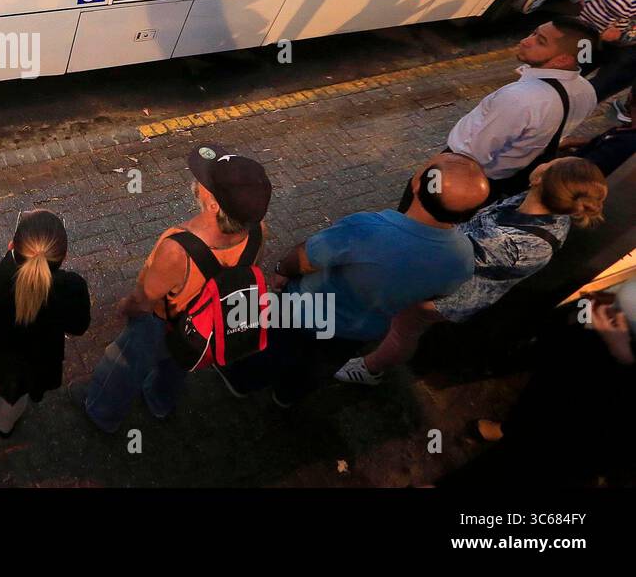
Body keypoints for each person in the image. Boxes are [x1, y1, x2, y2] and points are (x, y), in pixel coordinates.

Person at [335, 156, 607, 384]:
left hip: (444, 295)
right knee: (399, 319)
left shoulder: (516, 243)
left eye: (551, 163)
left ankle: (371, 368)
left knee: (404, 331)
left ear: (539, 179)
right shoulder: (542, 203)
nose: (547, 159)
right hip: (446, 276)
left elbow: (449, 258)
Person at [262, 153, 487, 406]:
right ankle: (287, 396)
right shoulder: (464, 257)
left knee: (274, 349)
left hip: (304, 310)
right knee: (317, 367)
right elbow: (435, 294)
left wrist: (282, 269)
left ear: (416, 183)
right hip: (358, 331)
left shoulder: (366, 228)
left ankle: (252, 377)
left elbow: (306, 259)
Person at [82, 145, 271, 432]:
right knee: (176, 366)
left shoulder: (178, 247)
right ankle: (159, 404)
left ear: (213, 205)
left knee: (123, 365)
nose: (198, 181)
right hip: (202, 327)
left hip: (164, 323)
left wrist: (127, 307)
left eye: (207, 182)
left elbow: (145, 301)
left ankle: (102, 413)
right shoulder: (258, 231)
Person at [439, 281, 635, 487]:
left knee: (554, 450)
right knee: (552, 390)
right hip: (611, 351)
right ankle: (509, 429)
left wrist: (624, 356)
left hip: (620, 410)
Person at [0, 209, 91, 437]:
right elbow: (78, 327)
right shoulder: (72, 289)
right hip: (34, 362)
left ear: (11, 246)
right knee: (15, 395)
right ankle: (4, 428)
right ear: (63, 257)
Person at [446, 18, 598, 198]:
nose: (526, 41)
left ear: (562, 59)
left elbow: (476, 152)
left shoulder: (519, 98)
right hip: (509, 176)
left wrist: (446, 170)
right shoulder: (587, 91)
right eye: (534, 33)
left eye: (540, 41)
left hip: (467, 173)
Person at [578, 0, 636, 121]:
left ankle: (537, 99)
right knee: (598, 89)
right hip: (629, 50)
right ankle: (558, 122)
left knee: (574, 68)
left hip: (598, 29)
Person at [559, 90, 636, 175]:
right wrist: (572, 141)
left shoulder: (624, 143)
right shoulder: (628, 130)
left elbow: (579, 172)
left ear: (630, 96)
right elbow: (604, 141)